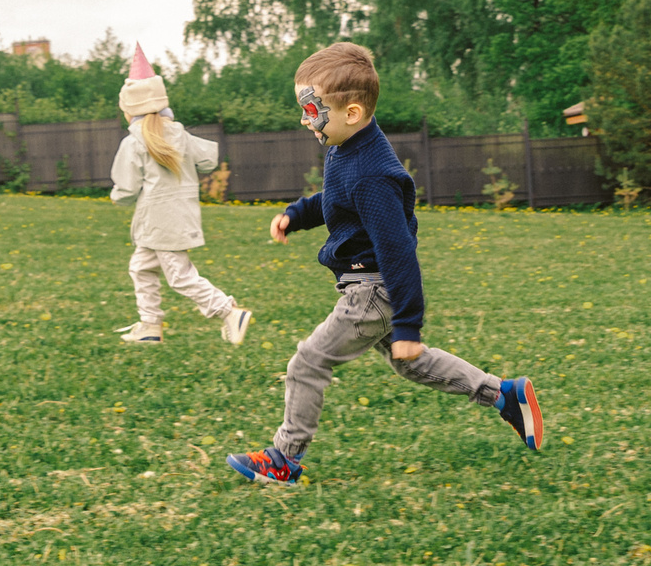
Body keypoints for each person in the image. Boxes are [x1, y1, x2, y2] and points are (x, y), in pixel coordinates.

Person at [226, 42, 543, 484]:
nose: (305, 118)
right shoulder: (346, 148)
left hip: (373, 290)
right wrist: (298, 214)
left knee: (307, 362)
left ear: (351, 112)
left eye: (312, 110)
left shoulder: (374, 174)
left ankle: (284, 459)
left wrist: (409, 325)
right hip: (369, 287)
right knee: (411, 363)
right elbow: (335, 199)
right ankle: (504, 395)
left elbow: (397, 251)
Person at [109, 43, 250, 346]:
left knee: (179, 275)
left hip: (160, 222)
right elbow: (209, 160)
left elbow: (127, 188)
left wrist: (117, 195)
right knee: (141, 267)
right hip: (176, 217)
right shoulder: (179, 134)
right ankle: (149, 325)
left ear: (129, 110)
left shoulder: (134, 142)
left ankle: (228, 311)